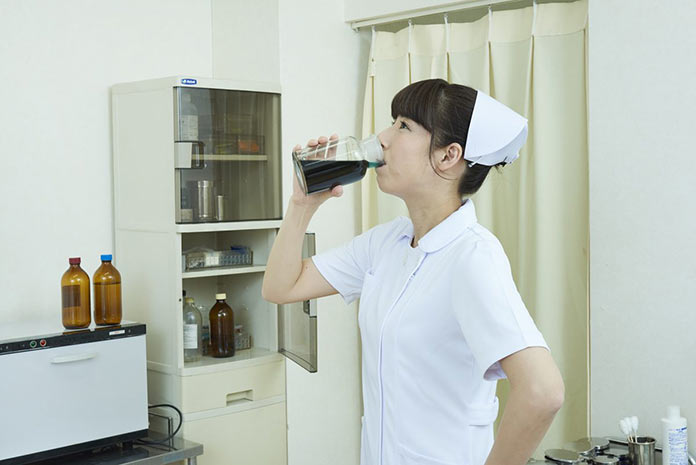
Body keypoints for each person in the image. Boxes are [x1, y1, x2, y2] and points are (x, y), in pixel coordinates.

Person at [262, 78, 565, 465]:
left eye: (404, 126)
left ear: (448, 155)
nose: (382, 138)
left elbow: (542, 392)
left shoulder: (472, 256)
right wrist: (302, 205)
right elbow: (281, 287)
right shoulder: (385, 243)